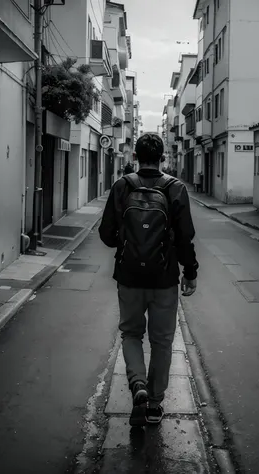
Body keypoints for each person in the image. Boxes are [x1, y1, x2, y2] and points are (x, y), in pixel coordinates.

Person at [99, 133, 199, 426]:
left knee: (131, 334)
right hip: (164, 278)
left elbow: (106, 234)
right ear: (163, 156)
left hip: (129, 276)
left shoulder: (121, 186)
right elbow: (185, 238)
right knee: (162, 341)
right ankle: (154, 404)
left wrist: (126, 243)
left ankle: (138, 384)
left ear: (136, 157)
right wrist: (190, 272)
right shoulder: (175, 188)